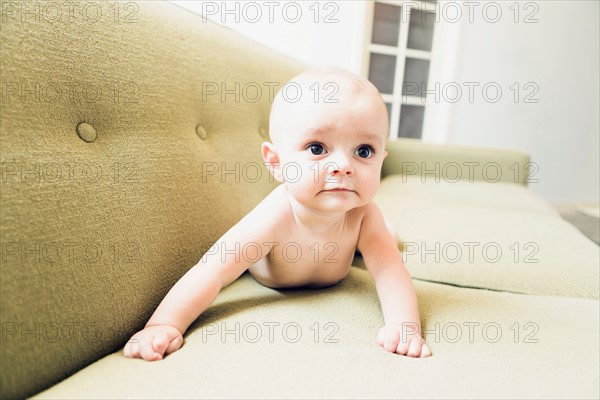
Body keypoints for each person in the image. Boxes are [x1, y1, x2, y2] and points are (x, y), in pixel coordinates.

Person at [124, 67, 432, 361]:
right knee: (376, 240)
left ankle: (375, 241)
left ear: (381, 159)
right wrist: (164, 325)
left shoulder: (364, 213)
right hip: (276, 275)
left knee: (384, 244)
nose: (344, 165)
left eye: (364, 151)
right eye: (317, 148)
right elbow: (213, 270)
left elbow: (391, 273)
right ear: (276, 162)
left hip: (337, 258)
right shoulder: (276, 214)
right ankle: (371, 242)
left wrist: (405, 326)